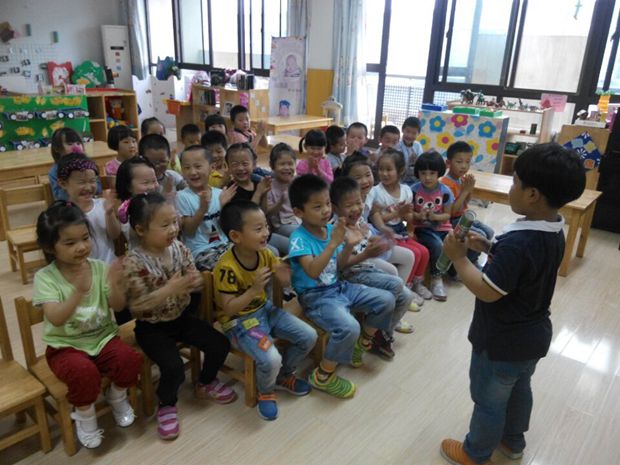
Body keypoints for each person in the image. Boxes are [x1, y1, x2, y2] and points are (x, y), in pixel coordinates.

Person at [439, 143, 586, 465]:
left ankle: (475, 452)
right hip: (532, 337)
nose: (511, 187)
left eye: (515, 181)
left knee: (488, 400)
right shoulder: (554, 229)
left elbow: (488, 291)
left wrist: (459, 259)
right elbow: (524, 270)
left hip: (501, 341)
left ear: (532, 194)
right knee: (519, 389)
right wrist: (490, 248)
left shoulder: (519, 243)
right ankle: (513, 441)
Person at [123, 192, 236, 440]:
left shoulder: (179, 248)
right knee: (173, 368)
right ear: (141, 230)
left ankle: (205, 382)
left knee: (219, 343)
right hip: (151, 327)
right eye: (165, 225)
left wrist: (196, 282)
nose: (173, 229)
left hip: (180, 317)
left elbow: (194, 278)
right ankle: (167, 404)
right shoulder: (133, 262)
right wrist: (170, 289)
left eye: (174, 222)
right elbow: (137, 307)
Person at [33, 201, 142, 449]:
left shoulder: (99, 268)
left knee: (129, 360)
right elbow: (56, 318)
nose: (81, 247)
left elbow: (117, 306)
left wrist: (116, 283)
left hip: (103, 338)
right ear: (50, 247)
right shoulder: (45, 278)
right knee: (84, 373)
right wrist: (78, 292)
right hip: (65, 346)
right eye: (70, 243)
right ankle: (85, 416)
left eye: (85, 238)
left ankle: (117, 397)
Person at [288, 174, 395, 398]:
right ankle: (323, 375)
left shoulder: (329, 230)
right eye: (317, 206)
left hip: (338, 287)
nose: (326, 210)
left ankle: (362, 343)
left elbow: (339, 266)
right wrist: (334, 243)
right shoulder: (298, 239)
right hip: (315, 297)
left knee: (386, 299)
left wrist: (348, 246)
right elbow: (313, 271)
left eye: (327, 203)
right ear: (298, 212)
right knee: (349, 327)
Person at [214, 200, 317, 420]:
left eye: (266, 226)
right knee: (271, 359)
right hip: (238, 322)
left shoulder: (266, 253)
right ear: (235, 236)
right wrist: (254, 290)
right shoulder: (226, 267)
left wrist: (285, 274)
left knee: (309, 336)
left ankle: (283, 375)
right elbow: (228, 308)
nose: (266, 233)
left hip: (265, 310)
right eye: (258, 228)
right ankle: (266, 391)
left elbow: (285, 281)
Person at [330, 176, 417, 359]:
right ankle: (369, 336)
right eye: (349, 205)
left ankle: (381, 335)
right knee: (396, 284)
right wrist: (366, 254)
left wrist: (377, 242)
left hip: (367, 268)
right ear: (335, 208)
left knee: (407, 296)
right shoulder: (336, 230)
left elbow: (367, 242)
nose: (356, 209)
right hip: (350, 275)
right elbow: (341, 266)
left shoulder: (359, 222)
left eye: (359, 202)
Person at [341, 153, 418, 301]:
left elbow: (373, 212)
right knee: (391, 271)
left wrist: (383, 229)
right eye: (358, 177)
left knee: (409, 256)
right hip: (356, 252)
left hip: (367, 239)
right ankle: (394, 301)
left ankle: (401, 297)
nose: (365, 181)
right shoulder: (346, 201)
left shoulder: (369, 194)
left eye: (367, 175)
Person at [367, 149, 431, 303]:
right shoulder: (376, 192)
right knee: (415, 253)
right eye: (381, 169)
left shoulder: (406, 191)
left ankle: (416, 284)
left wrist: (414, 220)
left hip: (400, 231)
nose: (384, 173)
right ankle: (405, 288)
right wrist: (398, 213)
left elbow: (408, 217)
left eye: (389, 169)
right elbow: (374, 218)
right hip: (384, 233)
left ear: (400, 171)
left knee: (424, 251)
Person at [176, 145, 236, 271]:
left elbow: (227, 228)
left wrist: (224, 207)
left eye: (198, 166)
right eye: (187, 168)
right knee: (229, 267)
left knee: (251, 256)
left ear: (212, 168)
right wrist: (202, 209)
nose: (192, 172)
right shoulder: (182, 196)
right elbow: (189, 231)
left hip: (225, 245)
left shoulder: (219, 194)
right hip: (201, 251)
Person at [57, 153, 120, 264]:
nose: (88, 187)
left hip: (108, 265)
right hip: (80, 268)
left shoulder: (103, 205)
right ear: (63, 183)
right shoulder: (62, 213)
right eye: (81, 182)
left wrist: (109, 213)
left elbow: (115, 235)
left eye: (92, 181)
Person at [441, 141, 494, 268]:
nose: (464, 166)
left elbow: (466, 202)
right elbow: (452, 212)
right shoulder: (446, 184)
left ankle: (473, 259)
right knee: (479, 236)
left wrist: (469, 189)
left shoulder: (461, 179)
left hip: (462, 217)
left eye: (468, 162)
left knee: (489, 231)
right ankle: (465, 265)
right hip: (452, 221)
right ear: (448, 163)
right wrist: (465, 191)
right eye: (459, 162)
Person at [411, 151, 455, 301]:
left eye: (432, 173)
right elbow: (409, 214)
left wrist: (435, 217)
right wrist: (419, 216)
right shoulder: (414, 190)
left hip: (443, 227)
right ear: (418, 173)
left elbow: (447, 215)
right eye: (423, 173)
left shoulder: (445, 191)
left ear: (439, 173)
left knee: (456, 241)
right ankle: (436, 278)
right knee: (437, 245)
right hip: (423, 228)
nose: (428, 177)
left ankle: (452, 271)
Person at [49, 128, 101, 200]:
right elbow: (59, 196)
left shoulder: (88, 165)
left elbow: (98, 189)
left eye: (78, 143)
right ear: (57, 148)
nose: (76, 147)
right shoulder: (54, 171)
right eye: (70, 144)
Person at [265, 143, 301, 238]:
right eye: (282, 164)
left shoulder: (297, 182)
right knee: (303, 234)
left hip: (300, 219)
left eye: (290, 164)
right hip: (281, 225)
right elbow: (267, 212)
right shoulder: (269, 186)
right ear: (272, 166)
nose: (287, 168)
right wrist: (280, 201)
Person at [139, 134, 186, 200]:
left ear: (169, 158)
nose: (157, 166)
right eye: (151, 162)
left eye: (162, 161)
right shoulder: (138, 182)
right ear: (141, 159)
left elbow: (188, 191)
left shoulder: (173, 177)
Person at [397, 117, 423, 187]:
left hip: (415, 180)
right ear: (402, 130)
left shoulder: (418, 146)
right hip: (400, 180)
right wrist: (408, 161)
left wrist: (416, 160)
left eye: (414, 133)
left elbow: (421, 164)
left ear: (418, 134)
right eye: (407, 131)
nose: (410, 135)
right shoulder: (398, 146)